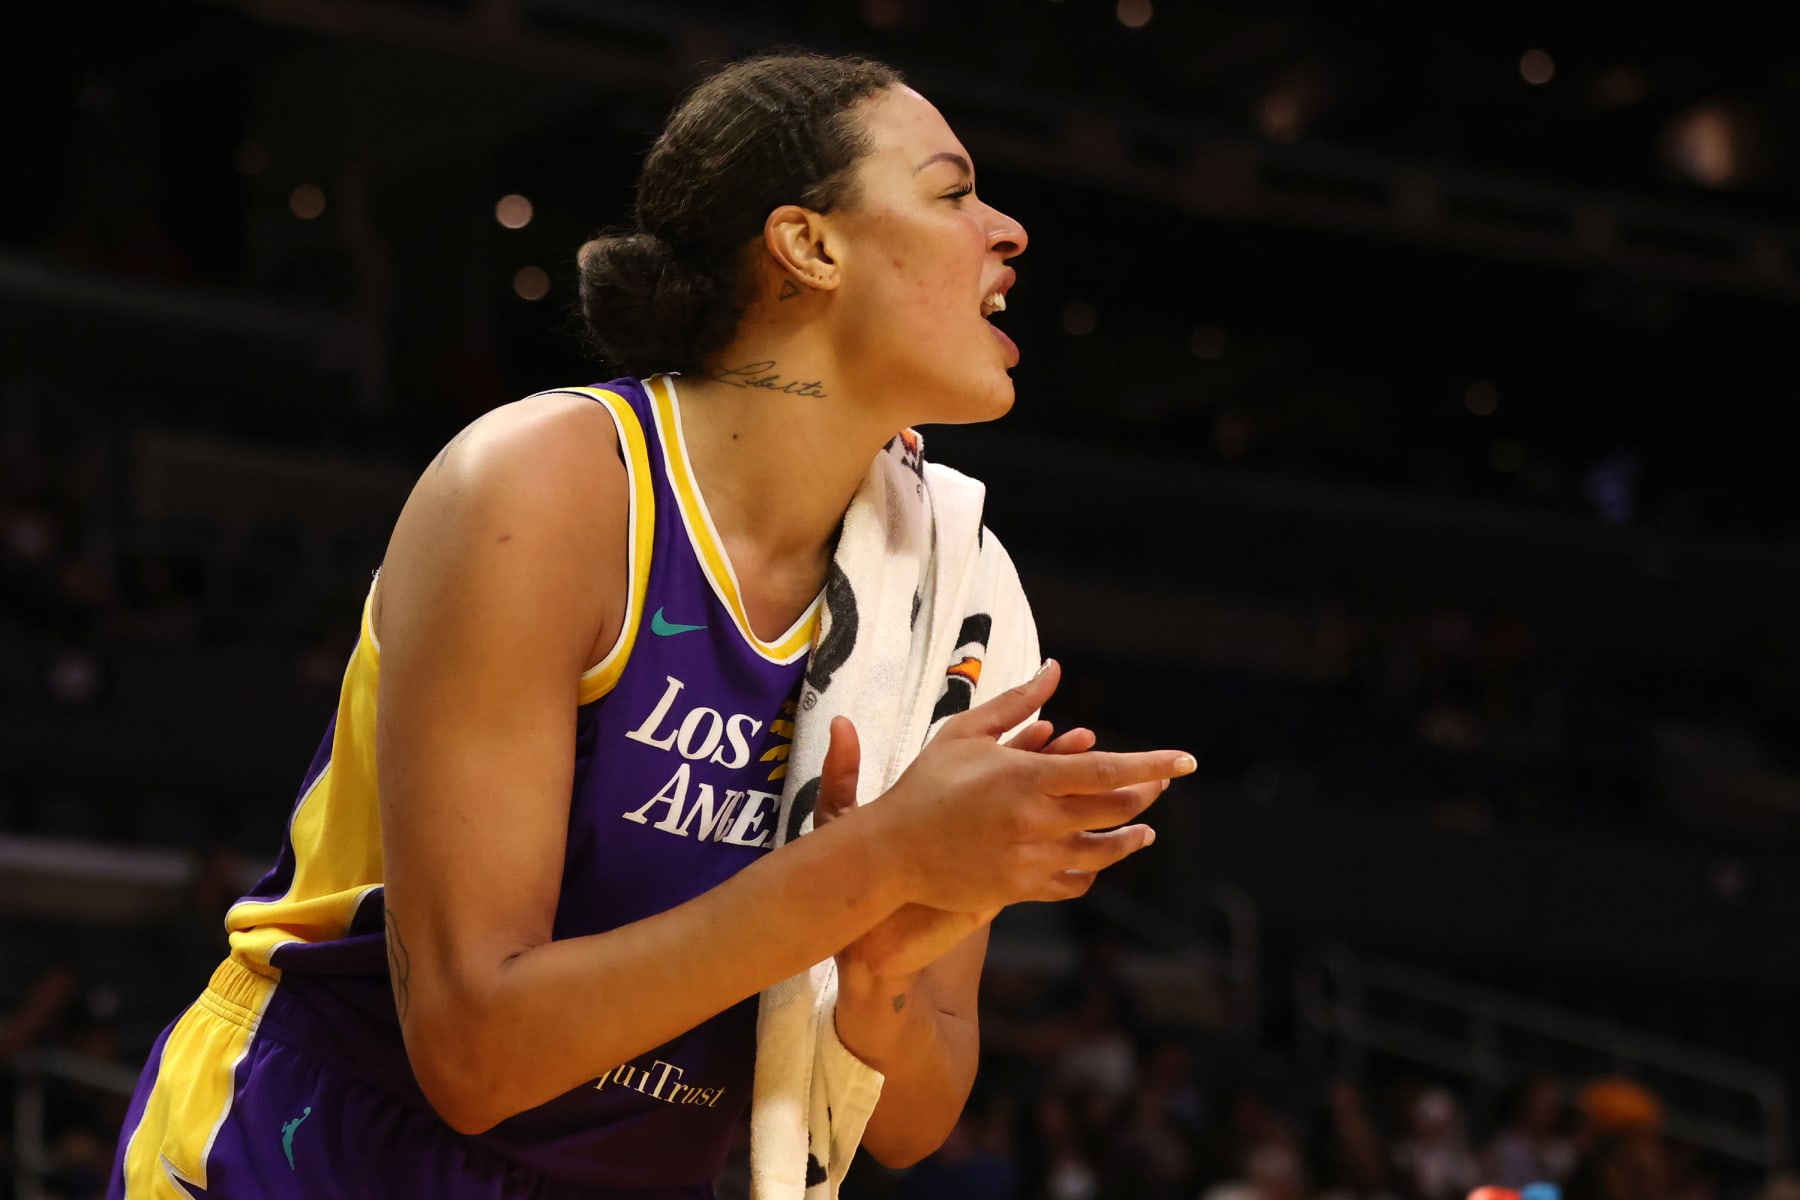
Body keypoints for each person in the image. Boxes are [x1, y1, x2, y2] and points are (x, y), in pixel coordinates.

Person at [107, 51, 1193, 1200]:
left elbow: (914, 1122)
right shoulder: (546, 489)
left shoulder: (955, 583)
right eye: (952, 192)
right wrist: (876, 860)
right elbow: (474, 1057)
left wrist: (876, 979)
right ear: (808, 245)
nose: (1006, 230)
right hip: (314, 1151)